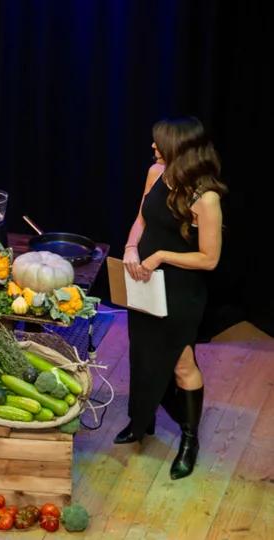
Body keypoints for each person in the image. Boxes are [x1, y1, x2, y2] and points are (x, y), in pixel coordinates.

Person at [117, 117, 226, 480]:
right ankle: (141, 421)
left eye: (159, 141)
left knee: (181, 362)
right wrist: (131, 248)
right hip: (144, 280)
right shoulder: (156, 173)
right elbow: (142, 220)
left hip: (179, 291)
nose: (153, 146)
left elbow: (209, 259)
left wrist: (161, 256)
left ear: (180, 147)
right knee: (142, 349)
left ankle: (190, 442)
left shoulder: (206, 198)